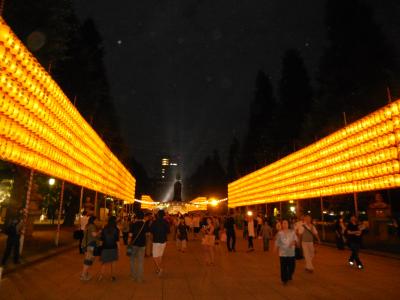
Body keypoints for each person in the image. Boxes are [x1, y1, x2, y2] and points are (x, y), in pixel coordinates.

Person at [275, 219, 298, 285]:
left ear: (288, 224)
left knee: (292, 267)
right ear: (282, 225)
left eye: (286, 223)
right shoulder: (279, 233)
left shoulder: (292, 232)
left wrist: (294, 242)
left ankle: (289, 275)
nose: (285, 225)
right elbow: (277, 242)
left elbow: (296, 240)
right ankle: (284, 280)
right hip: (283, 253)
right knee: (283, 267)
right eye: (283, 223)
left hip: (291, 253)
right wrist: (275, 248)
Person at [129, 210, 149, 283]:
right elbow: (147, 234)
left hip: (134, 244)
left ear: (136, 216)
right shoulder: (145, 225)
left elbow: (130, 235)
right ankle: (140, 278)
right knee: (140, 262)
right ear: (143, 216)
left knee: (132, 260)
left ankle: (133, 276)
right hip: (142, 244)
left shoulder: (133, 224)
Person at [99, 216, 120, 281]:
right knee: (113, 262)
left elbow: (101, 240)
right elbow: (117, 241)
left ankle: (101, 276)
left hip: (105, 247)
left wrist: (100, 248)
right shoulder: (116, 229)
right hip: (113, 247)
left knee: (104, 263)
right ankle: (113, 276)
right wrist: (119, 250)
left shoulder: (104, 228)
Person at [151, 210, 169, 276]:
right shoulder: (166, 222)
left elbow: (151, 230)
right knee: (160, 255)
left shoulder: (155, 222)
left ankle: (160, 268)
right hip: (163, 240)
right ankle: (158, 269)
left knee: (155, 256)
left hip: (156, 240)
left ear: (158, 215)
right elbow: (168, 231)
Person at [80, 216, 99, 281]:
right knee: (88, 261)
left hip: (86, 244)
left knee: (89, 260)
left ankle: (86, 274)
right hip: (90, 245)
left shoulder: (87, 225)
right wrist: (100, 232)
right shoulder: (92, 226)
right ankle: (83, 275)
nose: (97, 221)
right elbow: (94, 234)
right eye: (96, 220)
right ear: (93, 220)